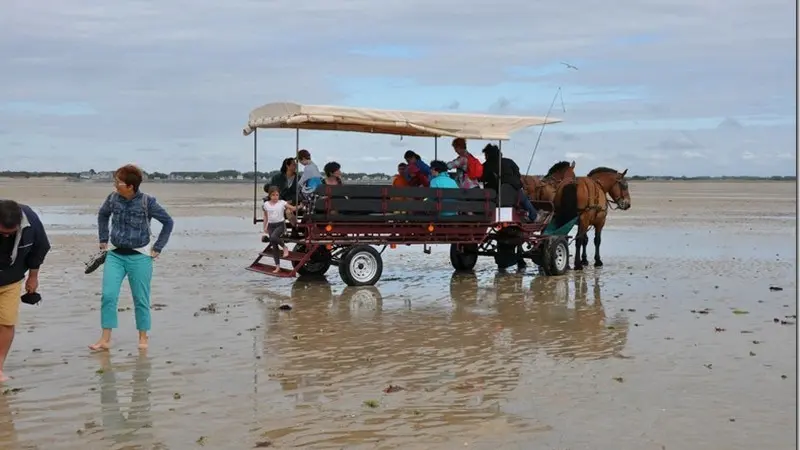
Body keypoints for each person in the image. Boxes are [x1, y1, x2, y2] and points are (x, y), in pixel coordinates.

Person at [91, 164, 174, 352]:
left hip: (140, 257)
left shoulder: (147, 202)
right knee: (108, 296)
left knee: (141, 299)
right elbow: (103, 215)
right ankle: (105, 339)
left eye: (118, 182)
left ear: (130, 186)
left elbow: (168, 222)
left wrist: (158, 247)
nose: (115, 185)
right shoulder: (112, 199)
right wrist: (103, 238)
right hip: (115, 255)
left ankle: (143, 337)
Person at [0, 200, 50, 382]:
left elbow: (41, 247)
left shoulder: (31, 221)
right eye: (2, 233)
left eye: (10, 234)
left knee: (6, 323)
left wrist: (33, 277)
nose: (6, 237)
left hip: (11, 279)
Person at [480, 144, 538, 221]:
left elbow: (482, 179)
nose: (484, 157)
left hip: (497, 197)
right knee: (524, 199)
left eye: (485, 155)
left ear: (488, 155)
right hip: (515, 193)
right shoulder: (509, 161)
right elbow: (517, 174)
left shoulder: (485, 166)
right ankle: (534, 216)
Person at [263, 186, 299, 273]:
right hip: (271, 225)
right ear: (269, 195)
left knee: (273, 237)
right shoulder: (266, 204)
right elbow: (265, 216)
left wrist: (300, 205)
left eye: (277, 195)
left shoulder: (282, 202)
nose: (275, 197)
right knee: (274, 245)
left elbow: (293, 208)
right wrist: (265, 227)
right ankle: (277, 267)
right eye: (273, 195)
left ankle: (284, 247)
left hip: (280, 225)